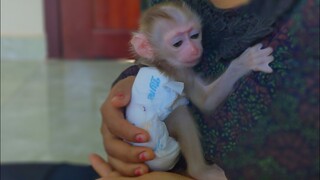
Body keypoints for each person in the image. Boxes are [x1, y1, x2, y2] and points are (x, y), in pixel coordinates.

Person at [91, 0, 319, 179]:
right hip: (152, 158)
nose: (193, 50)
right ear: (145, 47)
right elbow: (203, 99)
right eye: (178, 43)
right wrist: (125, 93)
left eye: (195, 35)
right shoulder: (168, 30)